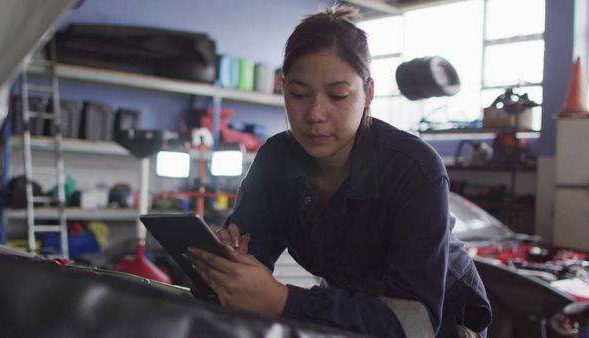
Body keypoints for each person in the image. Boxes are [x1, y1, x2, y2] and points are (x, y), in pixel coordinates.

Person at [186, 5, 492, 337]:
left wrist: (284, 301)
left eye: (337, 95)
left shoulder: (413, 169)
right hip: (352, 315)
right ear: (283, 88)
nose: (316, 113)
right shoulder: (276, 159)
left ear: (369, 93)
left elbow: (414, 322)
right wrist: (220, 268)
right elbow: (248, 259)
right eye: (299, 94)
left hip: (442, 323)